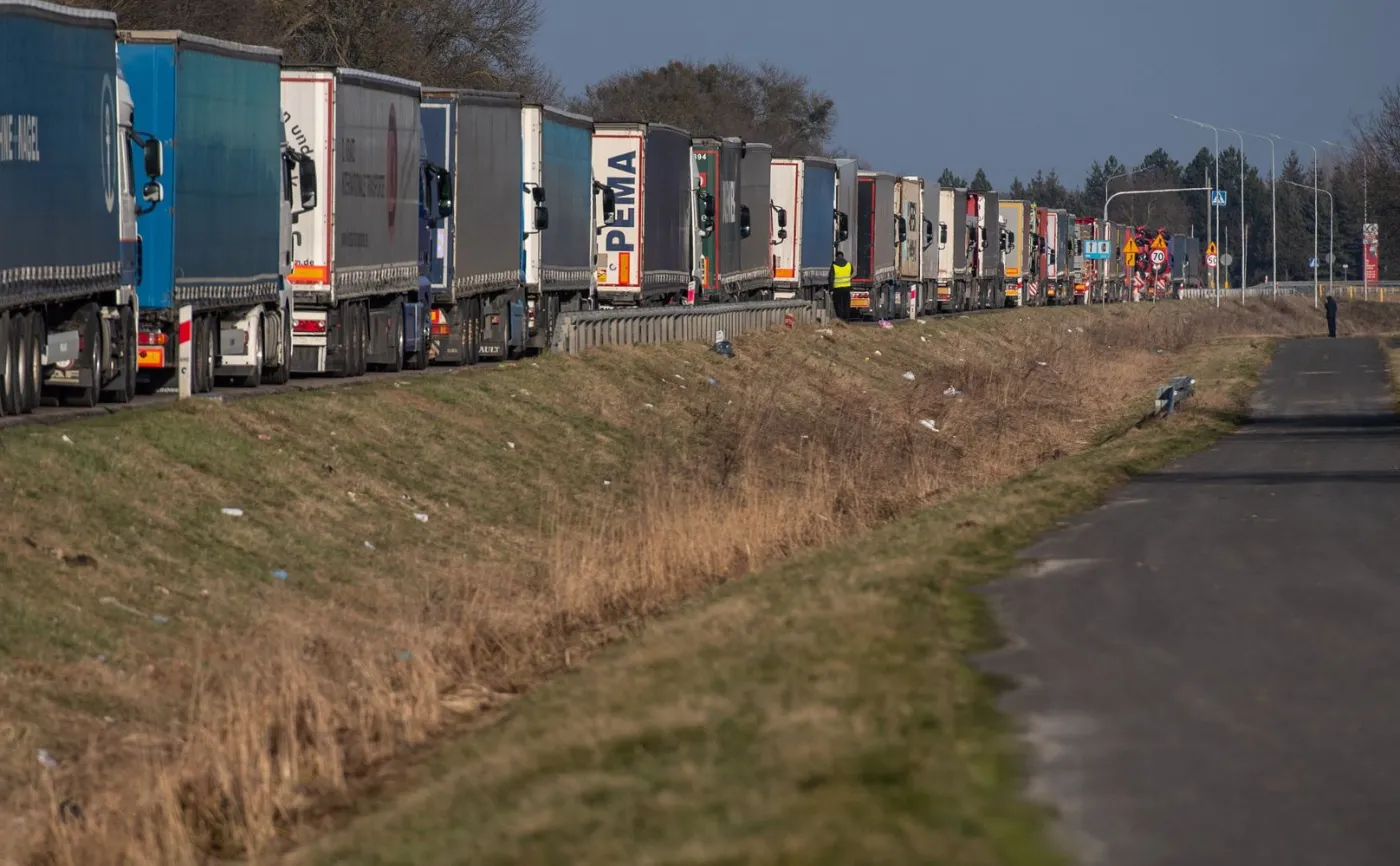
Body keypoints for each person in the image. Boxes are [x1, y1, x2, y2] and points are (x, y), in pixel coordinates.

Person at [829, 250, 853, 321]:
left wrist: (831, 288)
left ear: (836, 257)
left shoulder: (834, 266)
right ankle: (847, 319)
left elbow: (831, 278)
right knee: (846, 304)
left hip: (837, 289)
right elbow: (851, 271)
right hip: (847, 288)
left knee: (839, 305)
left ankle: (840, 319)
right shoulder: (848, 264)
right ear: (843, 256)